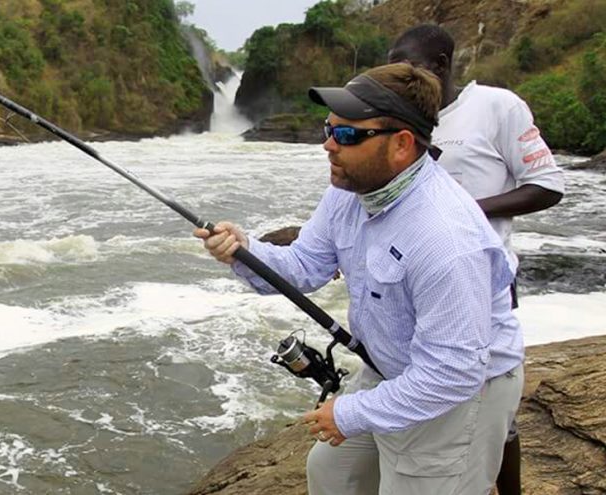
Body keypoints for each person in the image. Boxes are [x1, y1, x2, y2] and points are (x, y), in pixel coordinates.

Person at [194, 63, 524, 494]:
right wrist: (245, 251)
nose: (329, 145)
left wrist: (348, 413)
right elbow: (304, 265)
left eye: (347, 135)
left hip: (462, 393)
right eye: (326, 129)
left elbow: (452, 373)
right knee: (332, 472)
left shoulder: (447, 239)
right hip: (392, 368)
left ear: (403, 145)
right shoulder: (349, 192)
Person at [388, 24, 565, 495]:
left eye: (412, 65)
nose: (403, 75)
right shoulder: (401, 116)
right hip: (415, 286)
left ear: (442, 66)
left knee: (494, 407)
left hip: (483, 281)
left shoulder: (495, 106)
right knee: (434, 395)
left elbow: (548, 185)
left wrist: (467, 210)